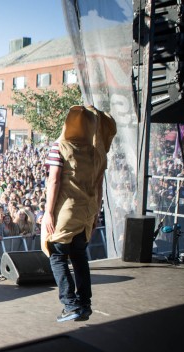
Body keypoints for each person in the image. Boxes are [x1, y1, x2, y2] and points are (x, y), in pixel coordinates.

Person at [42, 105, 116, 323]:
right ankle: (85, 304)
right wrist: (95, 215)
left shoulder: (61, 146)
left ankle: (70, 304)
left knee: (57, 255)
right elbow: (100, 186)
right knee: (79, 256)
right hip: (87, 211)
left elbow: (54, 180)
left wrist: (48, 213)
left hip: (66, 210)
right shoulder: (97, 154)